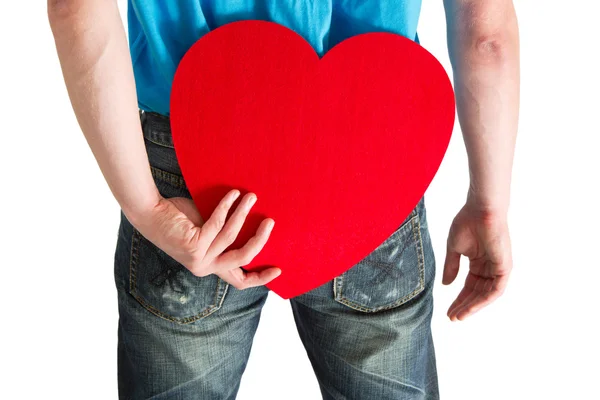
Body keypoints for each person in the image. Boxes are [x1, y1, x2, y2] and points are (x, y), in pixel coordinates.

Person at [48, 0, 519, 398]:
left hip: (192, 162)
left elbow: (76, 10)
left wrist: (145, 206)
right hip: (370, 158)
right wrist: (489, 203)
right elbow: (486, 35)